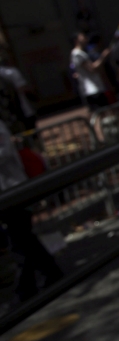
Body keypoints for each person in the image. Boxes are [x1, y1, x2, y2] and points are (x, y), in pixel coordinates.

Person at [0, 120, 65, 301]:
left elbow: (3, 152)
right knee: (22, 239)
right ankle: (39, 279)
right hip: (7, 191)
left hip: (13, 189)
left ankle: (30, 286)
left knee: (20, 240)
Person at [70, 32, 110, 111]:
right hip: (92, 89)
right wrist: (103, 57)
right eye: (82, 36)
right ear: (76, 40)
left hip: (94, 88)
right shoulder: (77, 54)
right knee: (100, 113)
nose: (85, 38)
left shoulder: (80, 53)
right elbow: (92, 69)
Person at [0, 52, 36, 132]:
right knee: (31, 135)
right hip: (22, 111)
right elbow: (21, 88)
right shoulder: (11, 72)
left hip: (7, 116)